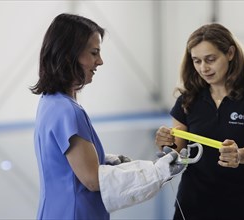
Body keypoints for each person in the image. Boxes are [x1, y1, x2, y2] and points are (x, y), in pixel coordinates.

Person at [30, 13, 187, 220]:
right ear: (69, 54)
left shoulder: (50, 102)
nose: (100, 61)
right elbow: (93, 180)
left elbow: (66, 167)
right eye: (94, 53)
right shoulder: (68, 111)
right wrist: (157, 172)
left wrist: (106, 161)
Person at [155, 23, 244, 220]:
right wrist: (166, 143)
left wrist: (239, 154)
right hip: (192, 205)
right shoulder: (188, 100)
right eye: (196, 61)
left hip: (239, 206)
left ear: (230, 53)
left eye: (210, 59)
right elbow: (177, 149)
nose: (203, 68)